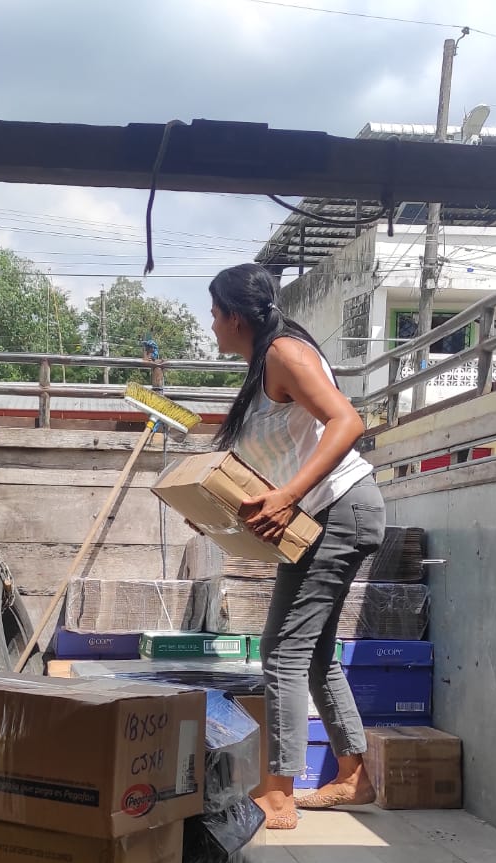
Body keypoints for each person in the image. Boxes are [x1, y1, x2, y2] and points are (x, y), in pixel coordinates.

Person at [208, 264, 386, 830]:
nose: (211, 324)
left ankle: (280, 794)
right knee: (311, 653)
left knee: (282, 650)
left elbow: (347, 421)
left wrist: (289, 496)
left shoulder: (285, 352)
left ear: (235, 317)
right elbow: (274, 461)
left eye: (214, 313)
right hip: (320, 515)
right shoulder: (262, 366)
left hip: (339, 510)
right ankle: (353, 775)